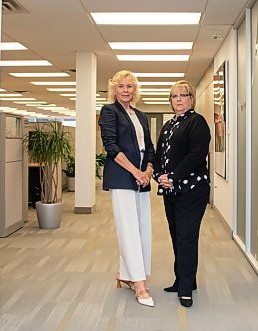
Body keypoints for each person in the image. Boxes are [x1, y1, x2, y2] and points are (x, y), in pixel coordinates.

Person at [98, 70, 155, 307]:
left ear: (135, 90)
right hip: (123, 177)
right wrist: (136, 172)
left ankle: (126, 275)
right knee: (128, 229)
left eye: (129, 86)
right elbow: (111, 146)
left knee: (141, 228)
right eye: (120, 86)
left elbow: (149, 146)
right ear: (114, 89)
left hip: (141, 178)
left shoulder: (140, 115)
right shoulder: (109, 112)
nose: (125, 90)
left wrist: (149, 170)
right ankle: (140, 285)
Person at [153, 80, 211, 308]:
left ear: (191, 98)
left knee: (186, 236)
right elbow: (159, 153)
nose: (177, 99)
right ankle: (184, 280)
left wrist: (173, 175)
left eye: (182, 95)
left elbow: (197, 154)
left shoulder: (197, 122)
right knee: (177, 234)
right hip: (171, 190)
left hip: (192, 190)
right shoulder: (169, 125)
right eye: (173, 96)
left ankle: (186, 289)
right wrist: (159, 174)